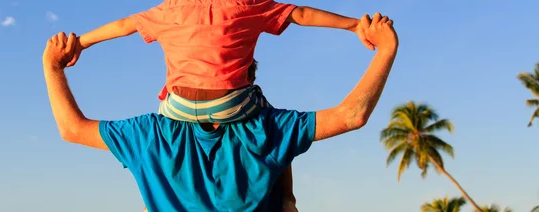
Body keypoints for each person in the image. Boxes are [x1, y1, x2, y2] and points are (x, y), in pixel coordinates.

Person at [65, 0, 377, 205]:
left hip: (178, 109)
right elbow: (302, 15)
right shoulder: (245, 1)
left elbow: (123, 25)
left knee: (161, 119)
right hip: (233, 105)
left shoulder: (169, 8)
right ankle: (287, 199)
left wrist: (81, 42)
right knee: (270, 116)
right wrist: (354, 25)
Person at [43, 12, 398, 211]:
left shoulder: (148, 136)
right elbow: (352, 114)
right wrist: (385, 49)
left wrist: (53, 66)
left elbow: (72, 129)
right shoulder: (270, 130)